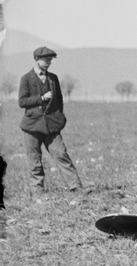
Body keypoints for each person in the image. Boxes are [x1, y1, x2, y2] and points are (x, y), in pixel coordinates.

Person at [18, 47, 86, 194]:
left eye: (50, 60)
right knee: (34, 159)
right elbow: (22, 101)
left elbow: (59, 99)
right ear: (37, 59)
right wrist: (41, 98)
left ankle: (76, 187)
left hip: (51, 125)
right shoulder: (26, 78)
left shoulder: (53, 78)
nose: (49, 63)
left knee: (61, 154)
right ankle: (37, 191)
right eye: (46, 60)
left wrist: (60, 117)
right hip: (32, 126)